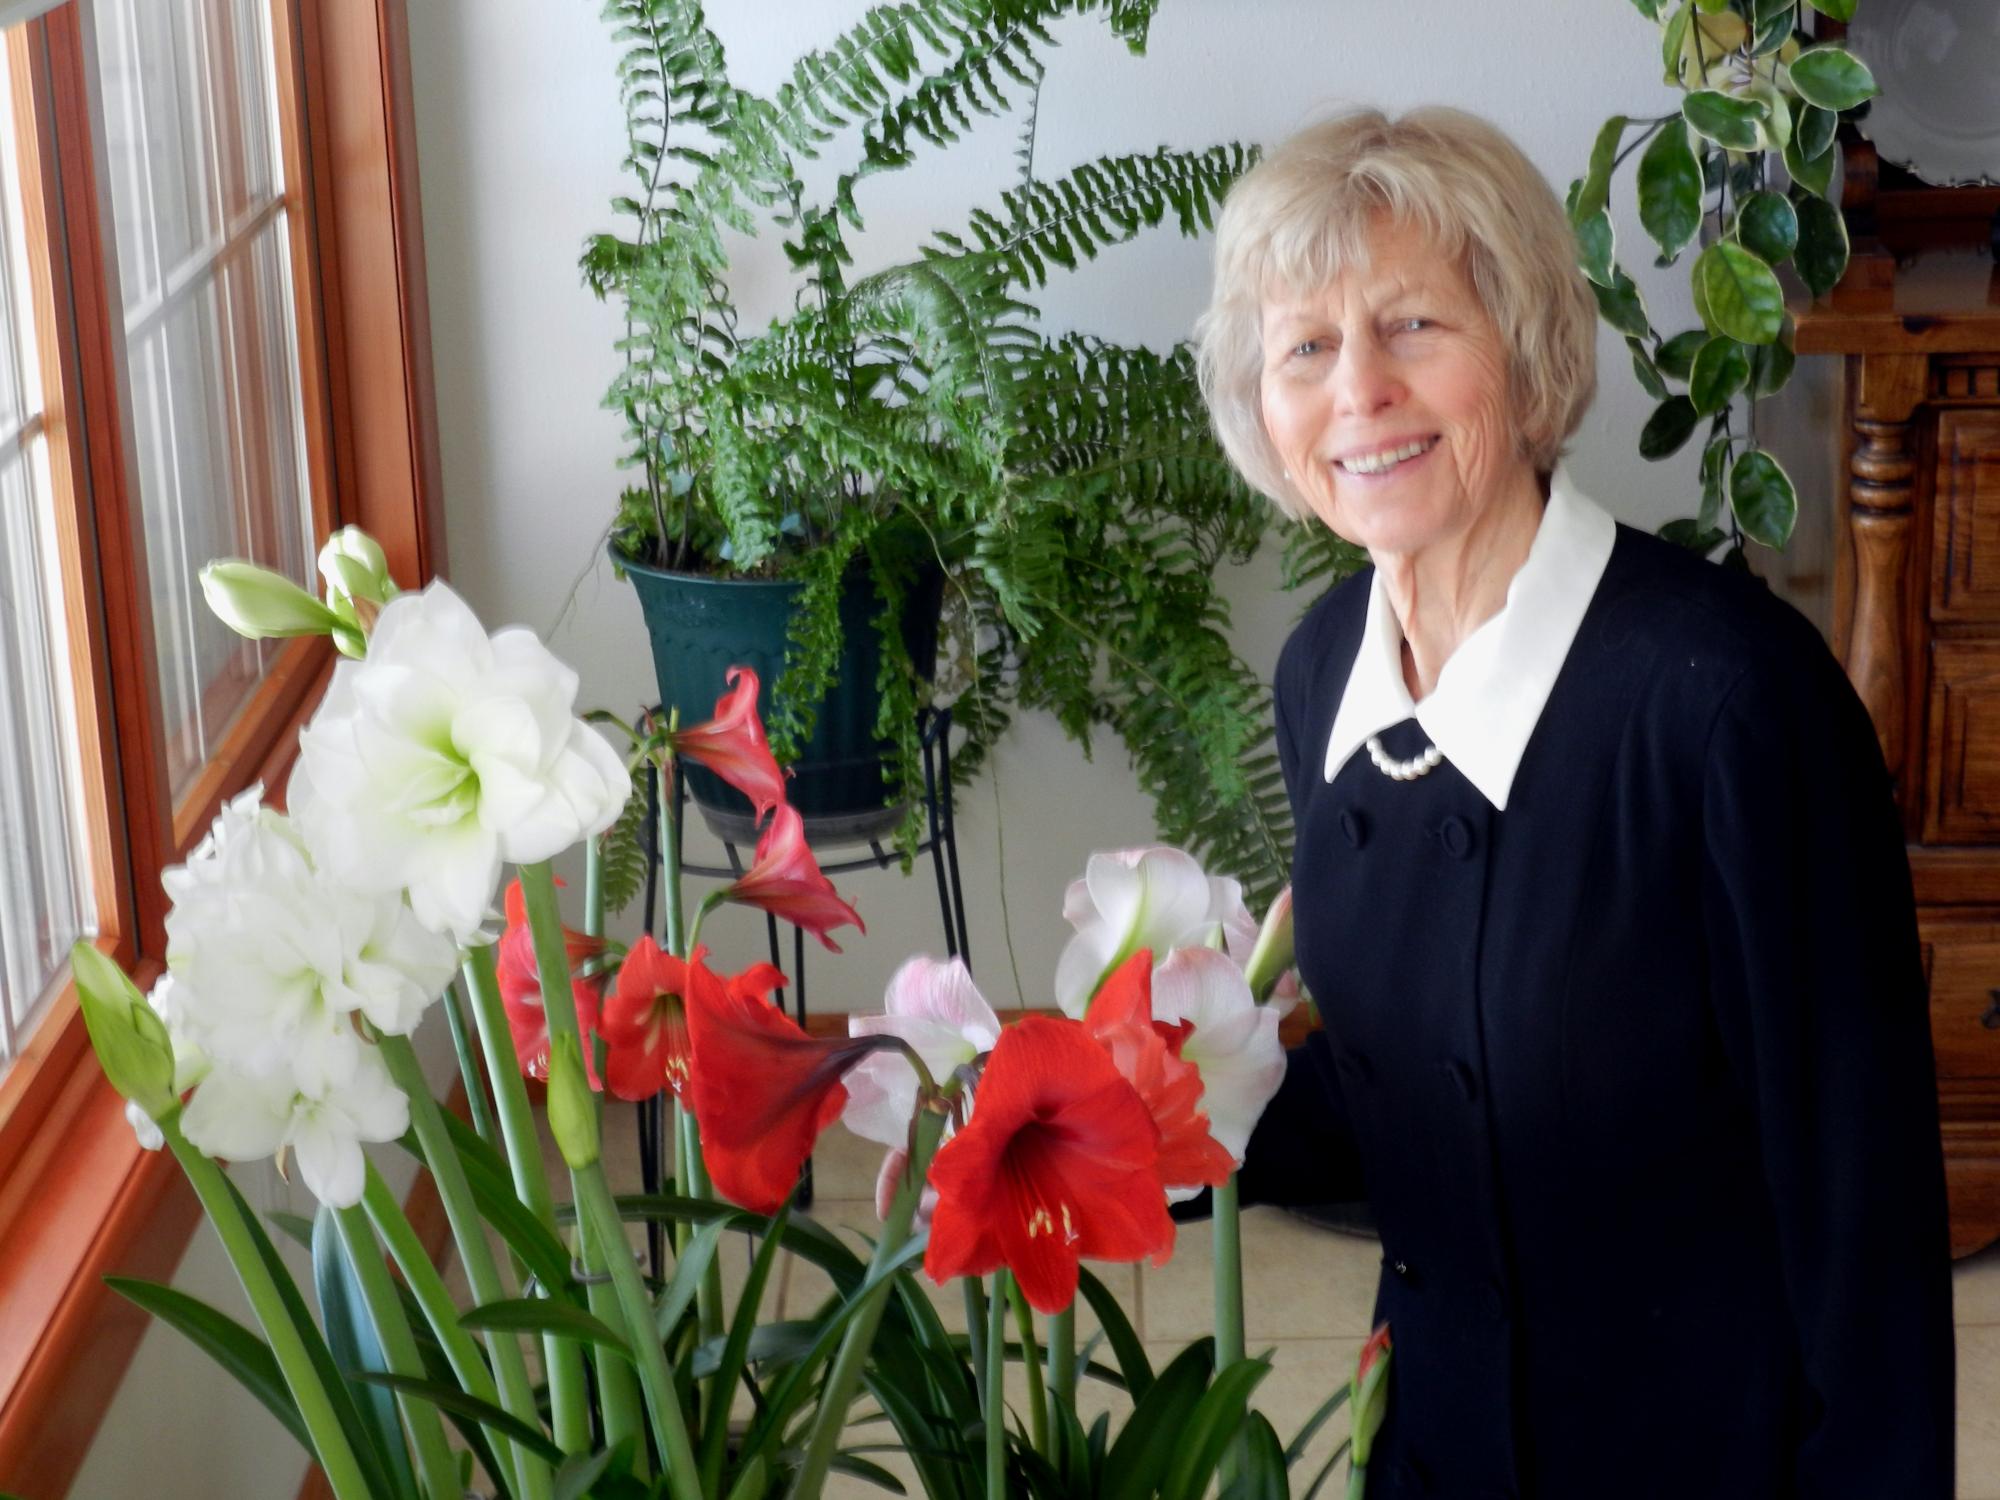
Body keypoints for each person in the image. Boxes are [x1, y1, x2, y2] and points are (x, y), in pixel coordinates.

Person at [1195, 107, 1954, 1498]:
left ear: (1529, 351)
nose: (1358, 390)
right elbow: (1415, 1086)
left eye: (1415, 325)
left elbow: (1867, 1228)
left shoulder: (1729, 703)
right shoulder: (1324, 672)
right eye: (1305, 346)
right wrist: (1163, 1108)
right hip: (1433, 1437)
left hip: (1700, 1455)